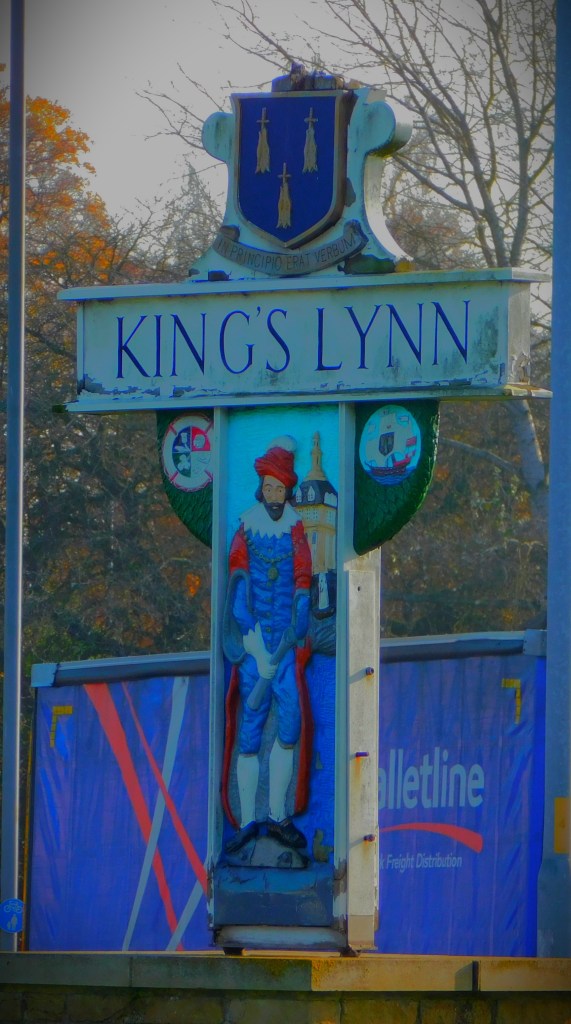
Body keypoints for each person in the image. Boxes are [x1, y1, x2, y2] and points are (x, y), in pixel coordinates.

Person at [222, 436, 313, 854]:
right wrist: (257, 652)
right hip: (254, 648)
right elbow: (238, 588)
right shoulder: (245, 530)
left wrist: (298, 621)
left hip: (285, 649)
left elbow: (302, 579)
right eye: (269, 488)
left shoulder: (296, 531)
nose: (274, 495)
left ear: (287, 491)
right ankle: (248, 821)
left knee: (289, 724)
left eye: (280, 489)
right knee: (251, 730)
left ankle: (278, 815)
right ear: (262, 489)